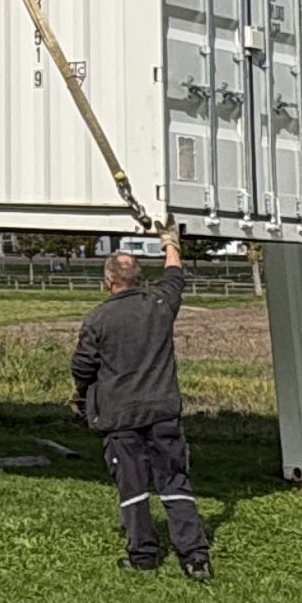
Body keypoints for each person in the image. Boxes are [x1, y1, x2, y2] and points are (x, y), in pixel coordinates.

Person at [71, 230, 212, 580]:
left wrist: (81, 394)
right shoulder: (160, 304)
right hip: (163, 411)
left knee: (133, 489)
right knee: (175, 482)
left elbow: (82, 367)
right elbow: (175, 275)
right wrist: (170, 242)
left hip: (120, 416)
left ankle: (144, 556)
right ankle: (195, 557)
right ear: (139, 277)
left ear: (108, 281)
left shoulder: (98, 319)